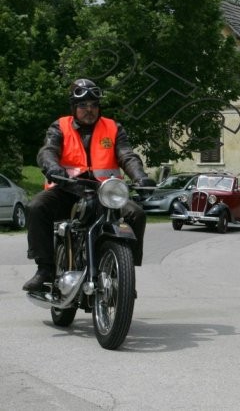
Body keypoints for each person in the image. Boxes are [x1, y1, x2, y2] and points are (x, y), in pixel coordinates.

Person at [22, 78, 157, 292]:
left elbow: (127, 155)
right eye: (83, 105)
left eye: (94, 104)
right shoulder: (60, 126)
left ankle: (125, 272)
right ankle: (44, 269)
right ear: (74, 108)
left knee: (136, 214)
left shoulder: (113, 128)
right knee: (36, 207)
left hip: (105, 192)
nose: (89, 109)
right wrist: (52, 167)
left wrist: (140, 176)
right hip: (68, 189)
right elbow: (47, 151)